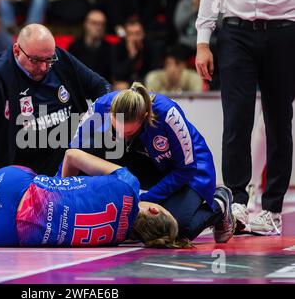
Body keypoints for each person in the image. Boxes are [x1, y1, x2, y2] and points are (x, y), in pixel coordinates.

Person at [0, 149, 189, 249]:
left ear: (152, 208)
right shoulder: (114, 241)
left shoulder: (130, 184)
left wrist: (60, 185)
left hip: (6, 182)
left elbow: (71, 154)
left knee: (35, 180)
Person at [71, 82, 235, 243]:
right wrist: (62, 189)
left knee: (172, 231)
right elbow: (73, 152)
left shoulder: (168, 114)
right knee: (90, 151)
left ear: (144, 117)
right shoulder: (101, 106)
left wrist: (146, 198)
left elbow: (186, 168)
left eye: (129, 132)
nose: (122, 136)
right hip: (150, 162)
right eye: (116, 129)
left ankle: (219, 204)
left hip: (191, 171)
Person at [195, 0, 295, 235]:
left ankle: (272, 209)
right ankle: (237, 202)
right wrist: (202, 42)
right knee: (236, 121)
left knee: (279, 121)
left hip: (285, 31)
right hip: (236, 33)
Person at [0, 23, 111, 188]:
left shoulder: (59, 59)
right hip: (21, 176)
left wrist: (98, 119)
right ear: (17, 51)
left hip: (67, 170)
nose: (43, 67)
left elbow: (101, 86)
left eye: (48, 59)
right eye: (35, 60)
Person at [112, 17, 161, 90]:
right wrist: (132, 56)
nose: (134, 38)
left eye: (137, 34)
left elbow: (154, 73)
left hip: (145, 84)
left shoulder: (151, 47)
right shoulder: (118, 47)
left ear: (143, 34)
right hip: (126, 85)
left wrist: (134, 84)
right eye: (130, 34)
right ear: (126, 36)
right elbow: (117, 74)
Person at [68, 9, 113, 82]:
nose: (99, 27)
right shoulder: (75, 46)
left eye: (102, 24)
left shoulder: (109, 48)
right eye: (94, 23)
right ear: (86, 24)